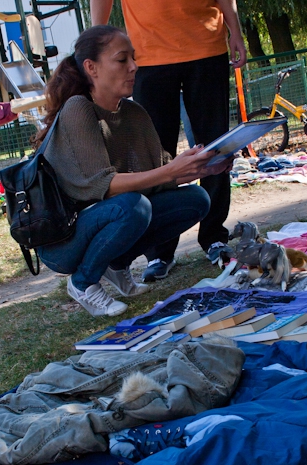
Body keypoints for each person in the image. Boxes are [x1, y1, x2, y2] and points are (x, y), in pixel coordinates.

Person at [34, 25, 218, 317]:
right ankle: (82, 283)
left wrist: (204, 167)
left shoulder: (134, 113)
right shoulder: (78, 108)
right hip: (63, 239)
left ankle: (117, 266)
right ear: (91, 68)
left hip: (109, 218)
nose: (133, 67)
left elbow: (160, 173)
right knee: (133, 207)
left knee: (196, 200)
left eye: (134, 58)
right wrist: (171, 170)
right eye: (122, 60)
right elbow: (104, 186)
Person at [91, 0, 247, 282]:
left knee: (215, 147)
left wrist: (235, 29)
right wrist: (95, 45)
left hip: (205, 44)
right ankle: (159, 251)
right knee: (152, 155)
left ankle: (214, 236)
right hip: (148, 53)